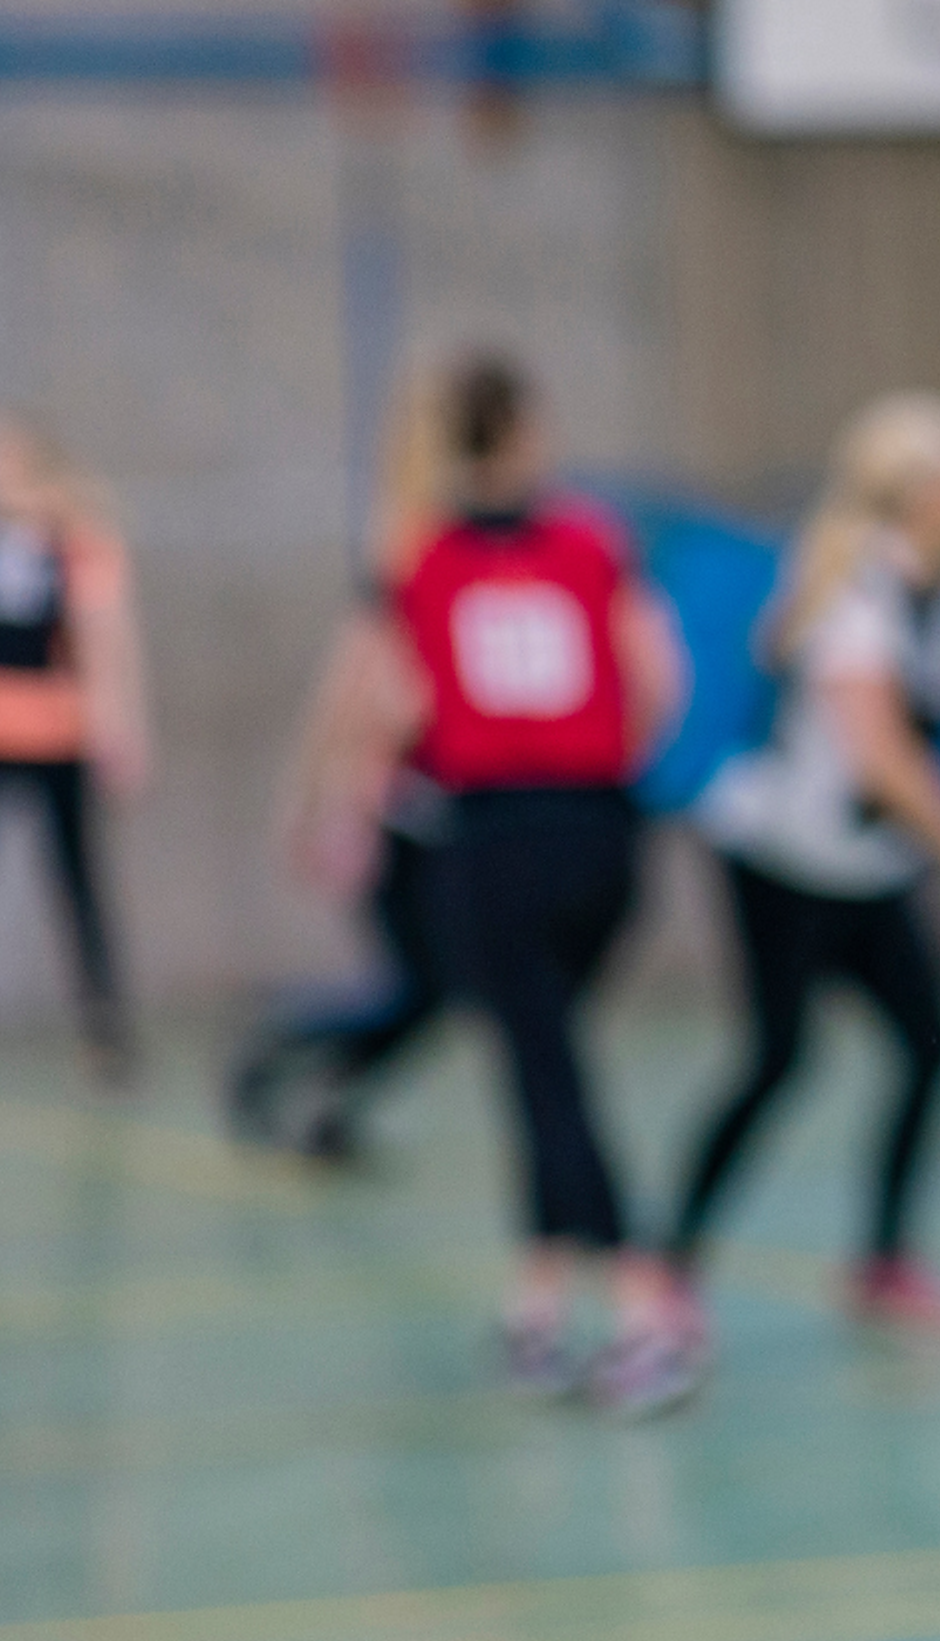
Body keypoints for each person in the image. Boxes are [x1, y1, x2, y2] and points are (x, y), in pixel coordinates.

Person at [659, 391, 940, 1403]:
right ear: (918, 492)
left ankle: (879, 1263)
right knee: (778, 1058)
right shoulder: (856, 596)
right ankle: (667, 1268)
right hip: (780, 860)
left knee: (929, 1043)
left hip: (862, 871)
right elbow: (881, 760)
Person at [358, 353, 698, 1399]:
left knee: (547, 1075)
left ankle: (647, 1308)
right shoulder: (595, 544)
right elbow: (660, 681)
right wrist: (596, 768)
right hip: (602, 834)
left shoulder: (421, 560)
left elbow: (398, 710)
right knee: (543, 1058)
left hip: (495, 840)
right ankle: (538, 1305)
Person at [231, 377, 464, 1160]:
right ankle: (290, 1050)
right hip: (408, 809)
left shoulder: (467, 545)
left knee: (437, 989)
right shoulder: (414, 554)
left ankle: (324, 1095)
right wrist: (316, 799)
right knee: (427, 986)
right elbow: (356, 690)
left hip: (453, 807)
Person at [0, 411, 153, 1089]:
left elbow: (108, 642)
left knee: (78, 887)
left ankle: (105, 1031)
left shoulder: (77, 543)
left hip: (60, 735)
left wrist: (124, 730)